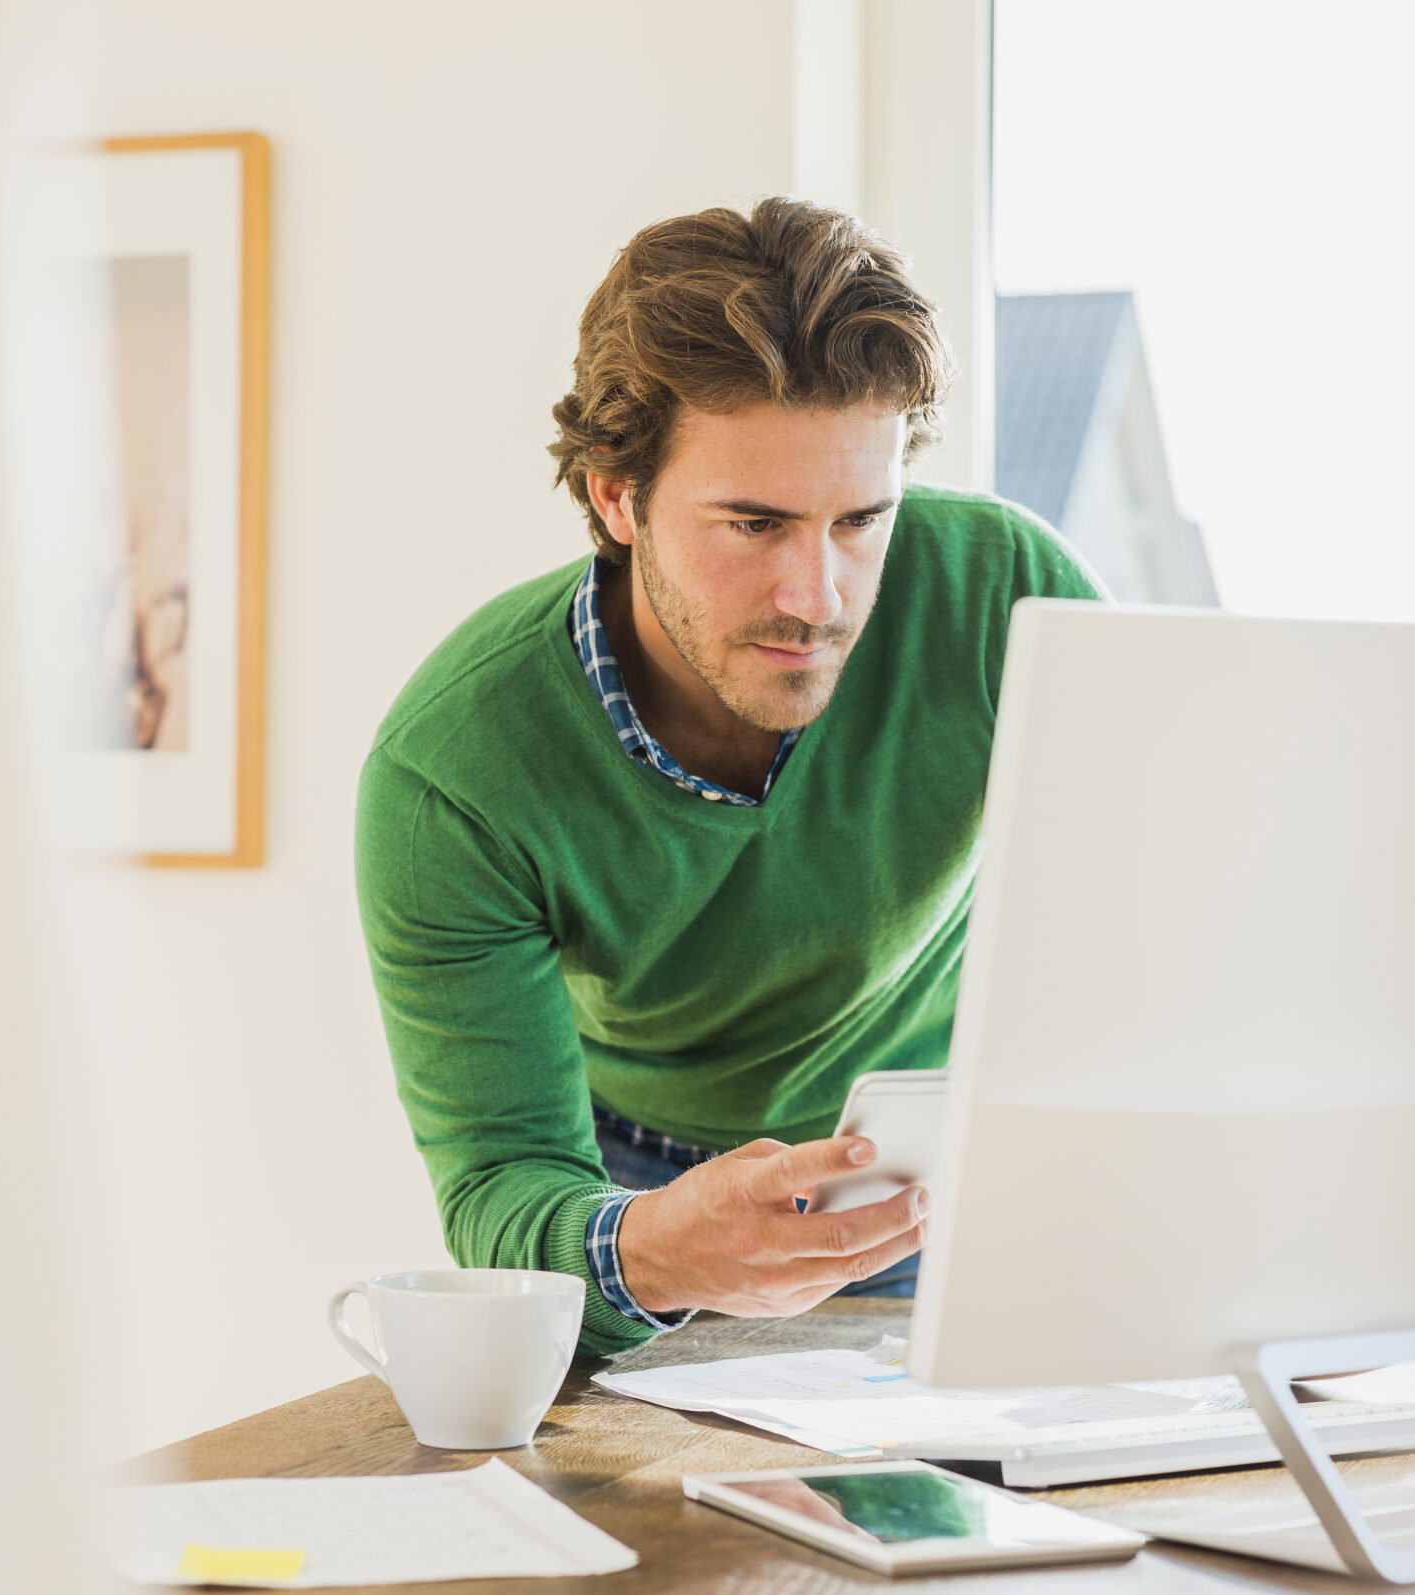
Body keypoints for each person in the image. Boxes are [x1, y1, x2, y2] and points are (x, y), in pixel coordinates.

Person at [357, 198, 1103, 1355]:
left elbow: (1162, 888)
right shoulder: (449, 773)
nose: (819, 597)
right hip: (641, 1187)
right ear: (616, 493)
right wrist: (649, 1249)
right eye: (753, 524)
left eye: (862, 518)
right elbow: (503, 1184)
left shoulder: (1004, 585)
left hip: (939, 1167)